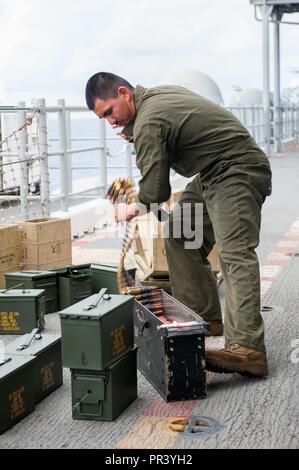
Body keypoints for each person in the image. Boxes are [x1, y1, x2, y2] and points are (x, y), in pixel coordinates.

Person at [85, 72, 272, 377]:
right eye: (103, 118)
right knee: (180, 234)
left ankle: (248, 349)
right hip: (213, 172)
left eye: (109, 112)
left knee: (235, 254)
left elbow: (155, 191)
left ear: (124, 93)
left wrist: (130, 208)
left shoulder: (148, 121)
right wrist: (135, 136)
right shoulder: (156, 99)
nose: (111, 122)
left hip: (238, 168)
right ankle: (207, 318)